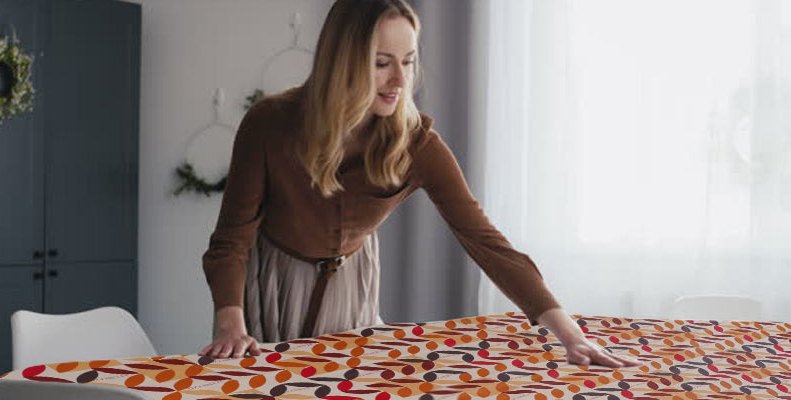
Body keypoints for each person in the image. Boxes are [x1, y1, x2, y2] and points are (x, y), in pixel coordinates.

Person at [199, 0, 642, 369]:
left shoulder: (416, 144)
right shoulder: (270, 123)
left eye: (408, 62)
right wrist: (230, 322)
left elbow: (485, 240)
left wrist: (567, 333)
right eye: (381, 64)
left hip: (352, 281)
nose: (399, 82)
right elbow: (231, 239)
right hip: (273, 282)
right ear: (344, 62)